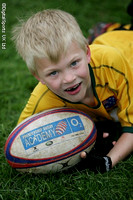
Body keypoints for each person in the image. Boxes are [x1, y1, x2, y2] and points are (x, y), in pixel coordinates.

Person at [12, 9, 133, 173]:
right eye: (53, 73)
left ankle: (111, 28)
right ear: (38, 76)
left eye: (74, 63)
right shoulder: (42, 99)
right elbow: (20, 146)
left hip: (125, 45)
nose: (68, 79)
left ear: (87, 52)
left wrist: (108, 160)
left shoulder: (112, 64)